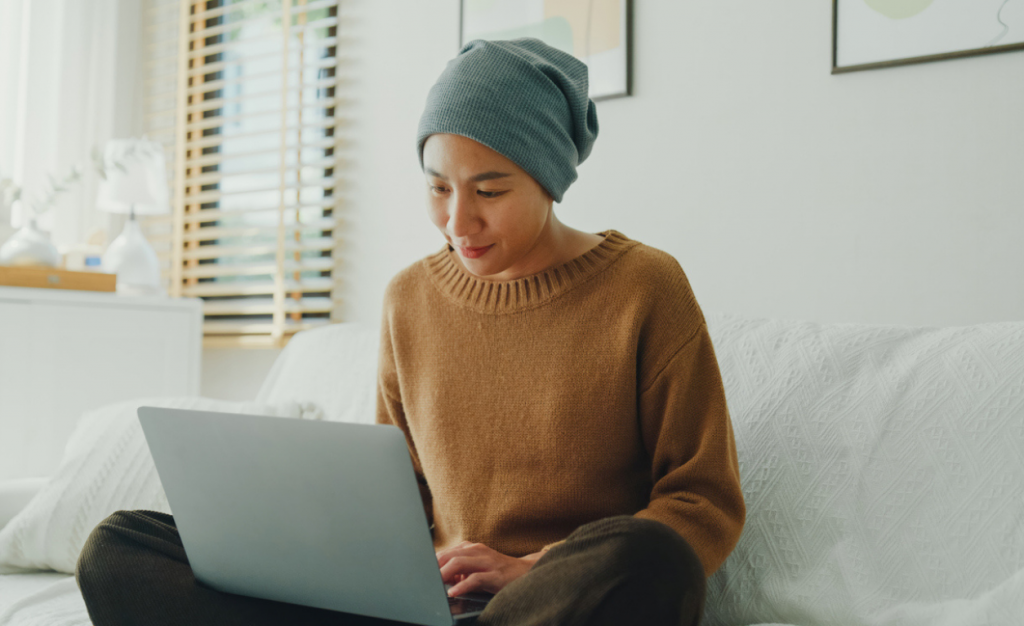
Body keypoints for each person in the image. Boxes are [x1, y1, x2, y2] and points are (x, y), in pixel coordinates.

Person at [75, 38, 745, 626]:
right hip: (425, 604)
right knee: (121, 549)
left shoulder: (644, 287)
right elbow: (399, 499)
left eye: (489, 190)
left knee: (649, 559)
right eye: (437, 188)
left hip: (547, 602)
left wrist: (532, 569)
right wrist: (406, 569)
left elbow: (702, 498)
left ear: (549, 177)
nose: (458, 221)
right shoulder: (409, 300)